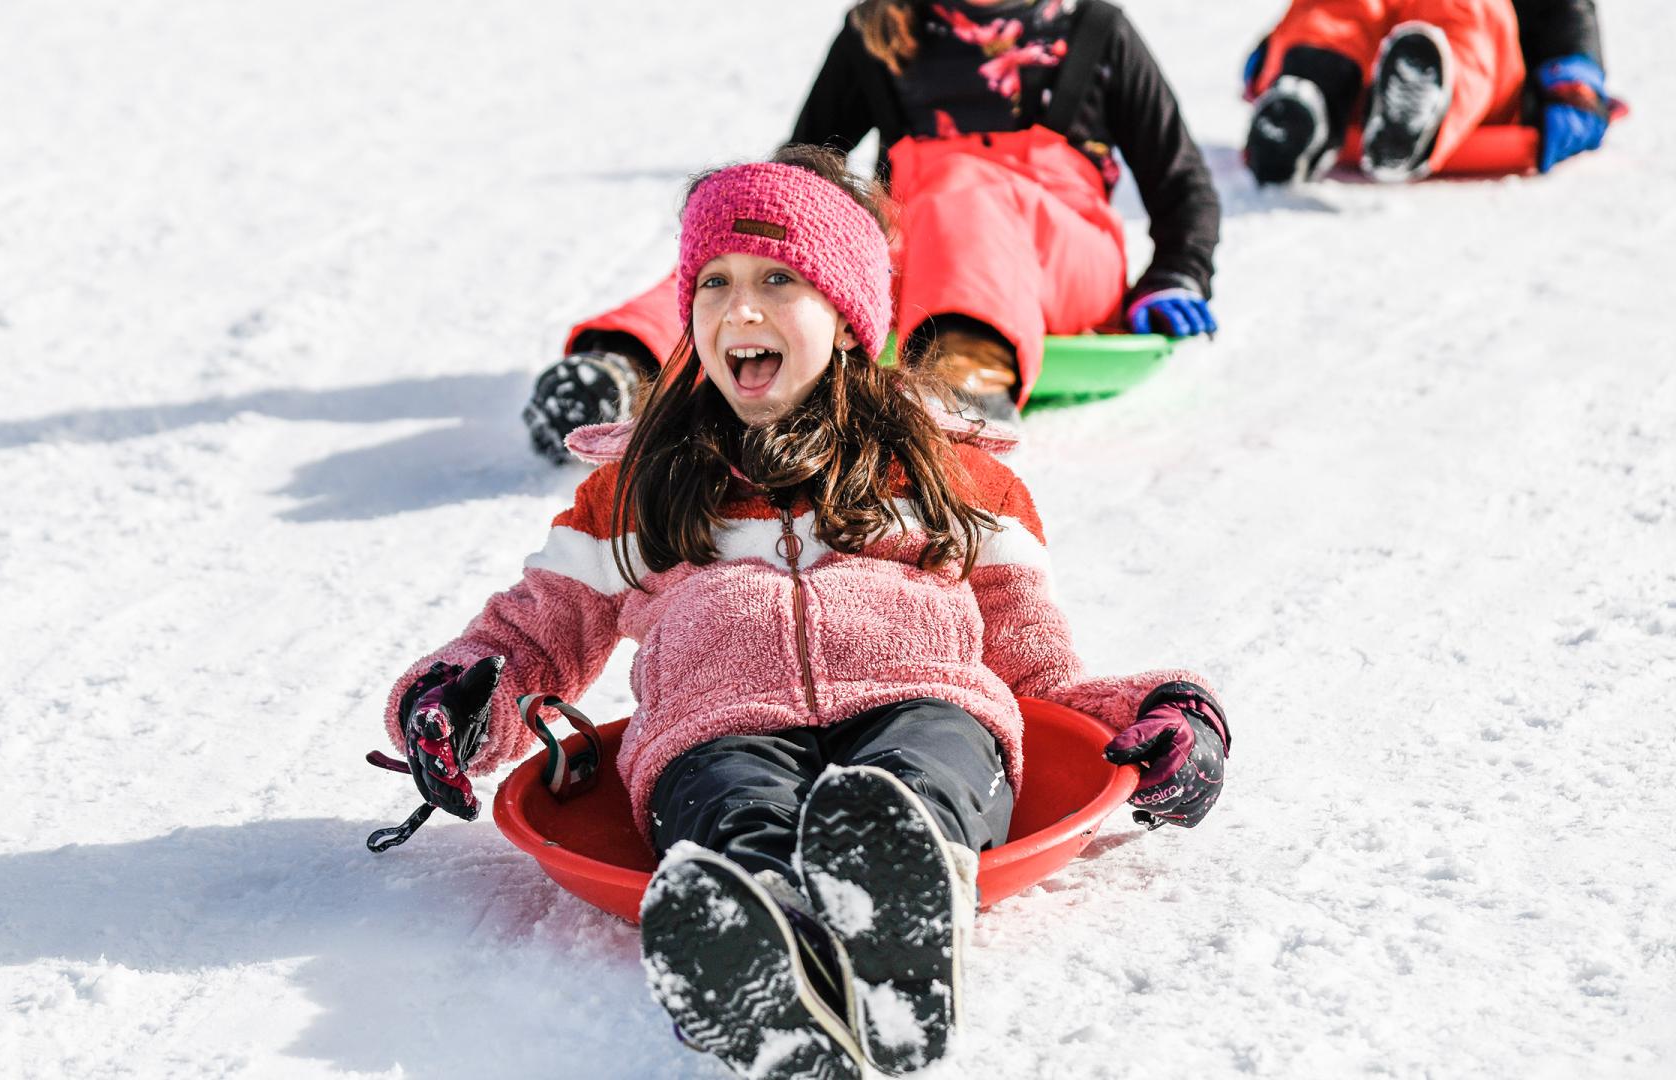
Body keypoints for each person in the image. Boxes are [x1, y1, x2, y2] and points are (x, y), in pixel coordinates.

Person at [384, 147, 1230, 1079]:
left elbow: (1036, 673)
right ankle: (763, 953)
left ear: (849, 312)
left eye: (777, 279)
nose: (739, 309)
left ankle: (895, 912)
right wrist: (459, 704)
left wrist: (1159, 714)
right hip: (716, 725)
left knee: (912, 783)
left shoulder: (955, 479)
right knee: (730, 802)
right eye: (714, 281)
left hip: (925, 704)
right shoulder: (642, 488)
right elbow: (531, 639)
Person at [524, 0, 1221, 461]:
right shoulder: (883, 26)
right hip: (922, 242)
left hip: (1058, 253)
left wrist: (1177, 275)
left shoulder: (1095, 30)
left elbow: (1180, 180)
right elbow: (799, 173)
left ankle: (965, 373)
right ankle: (627, 366)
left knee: (958, 184)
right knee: (783, 240)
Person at [1243, 0, 1609, 183]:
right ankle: (1307, 97)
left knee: (1467, 15)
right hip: (1364, 71)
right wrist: (1273, 49)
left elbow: (1564, 12)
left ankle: (1421, 110)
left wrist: (1574, 83)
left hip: (1483, 98)